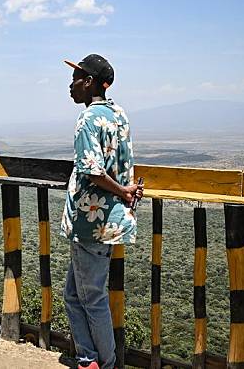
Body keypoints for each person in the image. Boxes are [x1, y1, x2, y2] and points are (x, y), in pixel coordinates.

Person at [61, 54, 143, 369]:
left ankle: (103, 364)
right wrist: (124, 191)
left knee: (92, 298)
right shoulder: (119, 114)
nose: (71, 86)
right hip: (110, 221)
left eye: (76, 79)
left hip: (90, 222)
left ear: (90, 82)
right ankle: (88, 359)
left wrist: (122, 190)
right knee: (74, 295)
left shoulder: (87, 119)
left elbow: (92, 170)